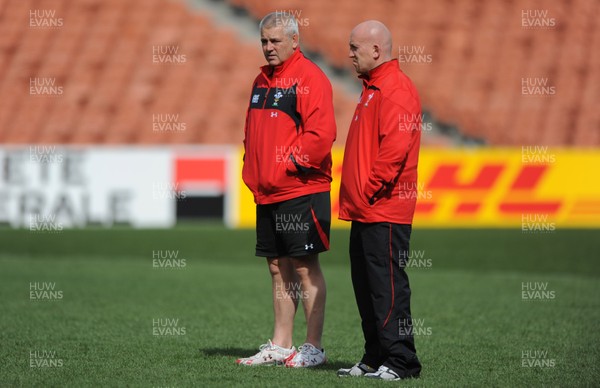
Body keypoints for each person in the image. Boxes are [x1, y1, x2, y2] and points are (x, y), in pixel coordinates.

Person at [236, 12, 336, 368]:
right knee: (278, 268)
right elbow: (253, 133)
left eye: (275, 41)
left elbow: (321, 135)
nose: (268, 47)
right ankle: (281, 344)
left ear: (295, 41)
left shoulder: (310, 78)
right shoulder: (261, 80)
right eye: (264, 40)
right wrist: (254, 169)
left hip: (301, 189)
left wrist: (286, 165)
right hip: (268, 192)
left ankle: (313, 347)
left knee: (305, 266)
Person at [337, 20, 423, 380]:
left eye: (355, 48)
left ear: (376, 50)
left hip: (384, 208)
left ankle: (401, 361)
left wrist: (369, 188)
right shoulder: (373, 87)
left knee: (388, 288)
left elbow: (395, 149)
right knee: (368, 288)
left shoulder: (395, 88)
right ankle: (375, 356)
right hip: (366, 209)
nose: (349, 54)